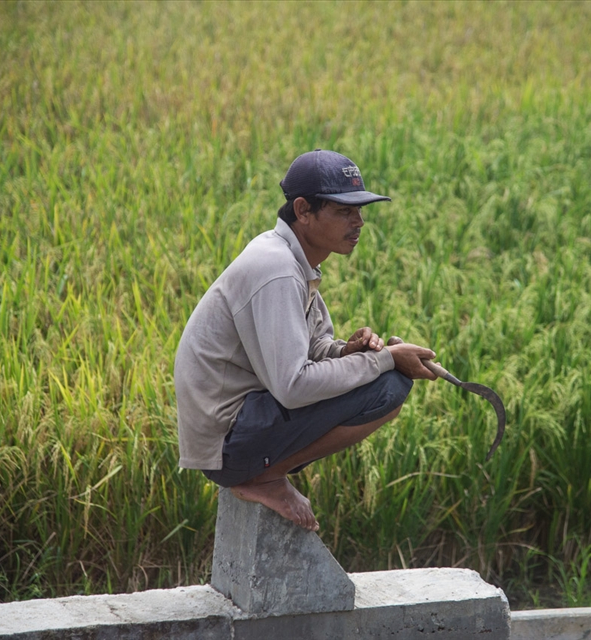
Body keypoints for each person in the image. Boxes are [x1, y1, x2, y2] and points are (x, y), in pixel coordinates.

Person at [174, 149, 436, 532]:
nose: (359, 222)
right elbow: (294, 386)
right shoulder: (278, 269)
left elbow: (313, 350)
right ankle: (261, 477)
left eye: (360, 210)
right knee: (389, 387)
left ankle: (264, 471)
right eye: (344, 211)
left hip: (242, 426)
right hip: (227, 445)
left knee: (383, 379)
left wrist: (348, 351)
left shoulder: (297, 262)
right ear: (303, 210)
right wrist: (386, 360)